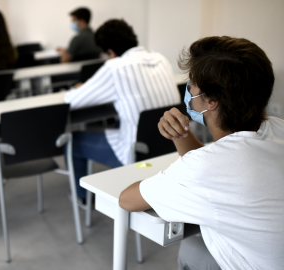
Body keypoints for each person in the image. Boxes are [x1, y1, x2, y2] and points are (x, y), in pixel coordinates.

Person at [119, 36, 284, 269]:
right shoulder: (278, 127)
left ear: (211, 101)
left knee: (191, 248)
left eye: (192, 83)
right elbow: (219, 165)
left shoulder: (204, 168)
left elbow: (127, 199)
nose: (188, 89)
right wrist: (181, 135)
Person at [64, 19, 180, 203]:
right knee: (123, 119)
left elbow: (72, 101)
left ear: (110, 52)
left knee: (74, 141)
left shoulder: (115, 67)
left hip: (137, 153)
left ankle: (82, 197)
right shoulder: (161, 58)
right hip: (170, 146)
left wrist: (79, 88)